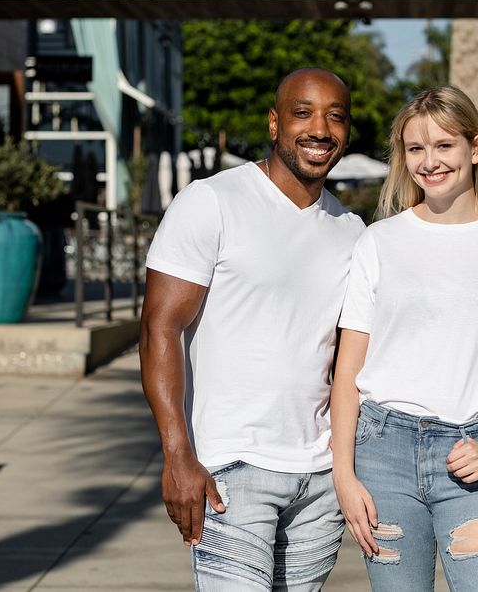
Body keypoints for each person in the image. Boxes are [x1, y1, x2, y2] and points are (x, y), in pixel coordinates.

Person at [331, 85, 478, 591]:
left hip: (473, 456)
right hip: (383, 455)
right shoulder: (379, 242)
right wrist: (344, 475)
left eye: (444, 146)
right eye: (416, 148)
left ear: (475, 148)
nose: (429, 161)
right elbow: (348, 370)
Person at [139, 68, 365, 591]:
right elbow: (159, 329)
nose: (320, 129)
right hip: (231, 471)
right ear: (274, 123)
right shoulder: (211, 201)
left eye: (336, 116)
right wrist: (177, 455)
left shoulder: (352, 232)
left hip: (320, 480)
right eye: (302, 112)